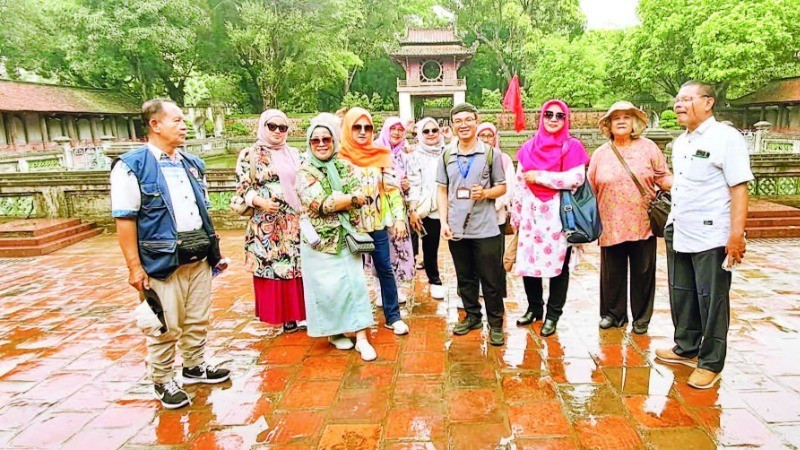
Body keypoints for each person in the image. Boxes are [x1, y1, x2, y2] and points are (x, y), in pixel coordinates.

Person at [111, 99, 230, 409]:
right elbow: (125, 220)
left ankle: (194, 365)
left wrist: (213, 250)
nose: (183, 125)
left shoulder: (192, 164)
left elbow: (201, 210)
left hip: (198, 255)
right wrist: (134, 268)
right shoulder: (131, 166)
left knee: (197, 318)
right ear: (155, 125)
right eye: (176, 120)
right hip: (161, 261)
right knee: (164, 324)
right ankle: (162, 378)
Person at [655, 81, 753, 389]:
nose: (679, 105)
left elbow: (739, 187)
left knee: (712, 299)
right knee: (682, 293)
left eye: (687, 99)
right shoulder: (681, 142)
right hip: (681, 228)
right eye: (678, 100)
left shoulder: (726, 138)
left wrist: (736, 235)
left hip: (713, 235)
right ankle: (686, 347)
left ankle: (711, 362)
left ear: (708, 102)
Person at [588, 101, 673, 334]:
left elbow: (663, 176)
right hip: (610, 222)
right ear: (609, 125)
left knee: (643, 272)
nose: (622, 121)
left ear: (634, 122)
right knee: (611, 272)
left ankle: (641, 318)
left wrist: (683, 183)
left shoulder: (648, 148)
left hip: (642, 221)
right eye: (616, 118)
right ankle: (613, 315)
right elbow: (590, 188)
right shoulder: (600, 154)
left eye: (627, 117)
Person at [295, 121, 377, 361]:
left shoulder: (344, 165)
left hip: (347, 237)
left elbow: (362, 194)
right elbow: (320, 204)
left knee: (356, 286)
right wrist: (349, 198)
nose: (321, 144)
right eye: (315, 140)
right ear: (309, 144)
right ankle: (335, 333)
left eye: (326, 139)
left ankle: (362, 337)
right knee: (328, 290)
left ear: (334, 141)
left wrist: (347, 198)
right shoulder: (304, 172)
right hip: (320, 242)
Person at [511, 99, 590, 337]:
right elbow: (520, 182)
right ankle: (535, 308)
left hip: (558, 215)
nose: (553, 119)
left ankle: (553, 315)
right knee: (528, 264)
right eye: (549, 114)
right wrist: (516, 215)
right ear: (541, 117)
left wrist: (541, 177)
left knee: (559, 267)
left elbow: (576, 178)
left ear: (566, 120)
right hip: (530, 215)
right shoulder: (528, 147)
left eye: (559, 116)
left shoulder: (572, 146)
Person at [437, 103, 507, 346]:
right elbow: (442, 189)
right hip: (457, 228)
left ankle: (496, 323)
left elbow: (502, 187)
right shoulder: (446, 154)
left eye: (468, 120)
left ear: (476, 122)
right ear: (452, 125)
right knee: (465, 277)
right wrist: (444, 221)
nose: (463, 125)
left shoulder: (491, 153)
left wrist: (486, 194)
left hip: (486, 228)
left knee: (491, 279)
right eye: (458, 121)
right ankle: (473, 316)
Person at [339, 107, 410, 335]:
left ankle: (393, 316)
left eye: (367, 127)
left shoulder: (380, 156)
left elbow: (391, 190)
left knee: (384, 268)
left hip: (377, 223)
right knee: (350, 272)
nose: (362, 132)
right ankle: (354, 319)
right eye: (356, 127)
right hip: (349, 226)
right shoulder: (339, 157)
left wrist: (399, 218)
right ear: (347, 129)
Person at [235, 110, 305, 333]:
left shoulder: (295, 153)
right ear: (263, 127)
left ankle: (300, 313)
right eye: (272, 126)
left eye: (282, 128)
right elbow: (242, 188)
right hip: (267, 223)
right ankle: (284, 317)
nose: (277, 131)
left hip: (294, 221)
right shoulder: (251, 154)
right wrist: (261, 202)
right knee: (274, 268)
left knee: (297, 267)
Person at [370, 117, 416, 306]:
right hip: (379, 210)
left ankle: (394, 288)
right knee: (381, 250)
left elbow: (410, 181)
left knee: (398, 247)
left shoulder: (403, 156)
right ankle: (379, 289)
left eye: (400, 129)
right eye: (393, 129)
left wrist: (406, 185)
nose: (396, 133)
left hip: (398, 210)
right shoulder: (375, 151)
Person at [407, 117, 447, 300]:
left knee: (460, 247)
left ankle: (466, 286)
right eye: (426, 131)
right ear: (419, 134)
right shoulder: (415, 156)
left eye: (434, 130)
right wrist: (413, 209)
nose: (431, 134)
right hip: (428, 208)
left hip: (450, 206)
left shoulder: (449, 152)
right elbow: (414, 184)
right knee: (430, 247)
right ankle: (434, 280)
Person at [477, 122, 514, 299]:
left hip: (495, 216)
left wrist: (493, 205)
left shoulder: (504, 159)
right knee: (474, 255)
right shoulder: (470, 157)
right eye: (482, 135)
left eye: (489, 135)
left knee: (495, 256)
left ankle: (496, 291)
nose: (485, 139)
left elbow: (508, 187)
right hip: (474, 217)